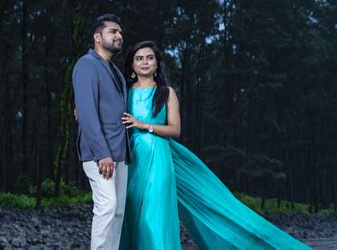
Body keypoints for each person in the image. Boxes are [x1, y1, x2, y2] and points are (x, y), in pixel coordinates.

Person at [118, 41, 311, 249]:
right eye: (139, 58)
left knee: (153, 216)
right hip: (131, 159)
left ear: (157, 64)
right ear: (132, 65)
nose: (144, 62)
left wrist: (143, 125)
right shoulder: (124, 91)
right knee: (131, 213)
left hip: (159, 158)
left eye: (149, 58)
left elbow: (175, 130)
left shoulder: (166, 93)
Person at [72, 14, 131, 249]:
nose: (118, 36)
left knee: (118, 212)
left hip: (121, 152)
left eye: (120, 32)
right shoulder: (86, 65)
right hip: (100, 153)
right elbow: (86, 112)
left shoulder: (115, 71)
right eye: (112, 32)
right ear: (98, 37)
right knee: (106, 207)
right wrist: (102, 153)